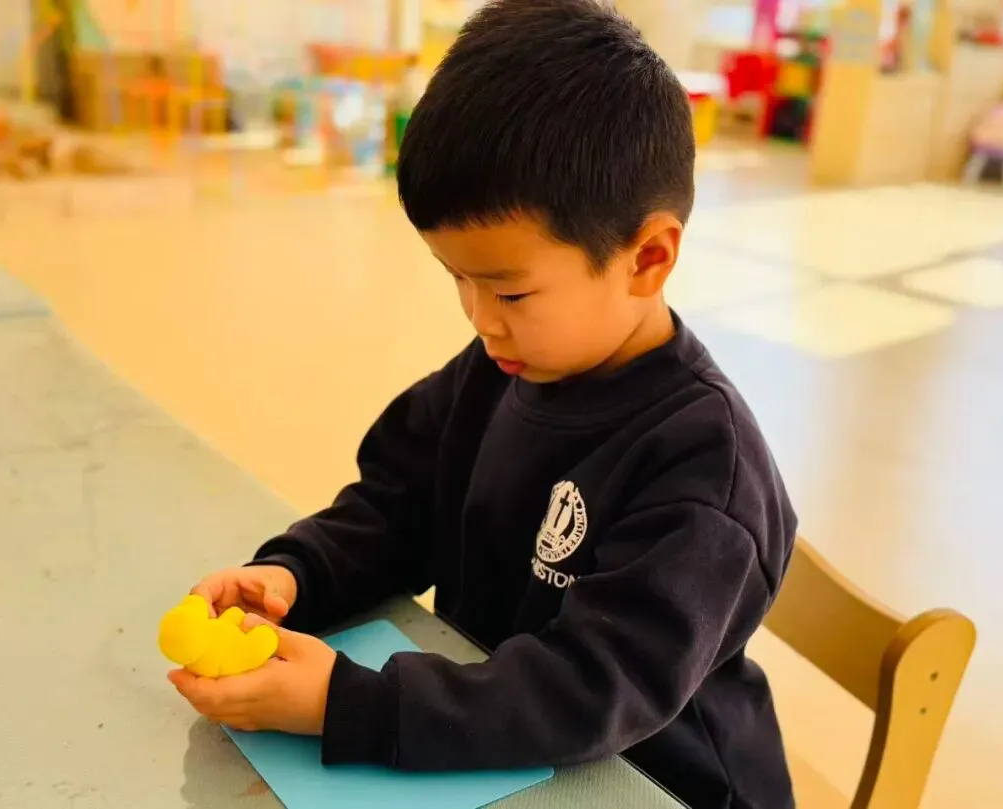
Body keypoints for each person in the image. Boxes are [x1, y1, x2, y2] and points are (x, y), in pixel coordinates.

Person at [168, 2, 797, 807]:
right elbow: (398, 506)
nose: (479, 317)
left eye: (510, 290)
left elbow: (588, 690)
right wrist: (294, 574)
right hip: (500, 749)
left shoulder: (703, 467)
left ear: (648, 256)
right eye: (457, 279)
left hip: (656, 782)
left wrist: (350, 705)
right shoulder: (505, 365)